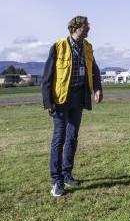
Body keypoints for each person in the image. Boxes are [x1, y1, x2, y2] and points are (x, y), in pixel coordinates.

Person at [41, 15, 103, 197]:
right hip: (60, 100)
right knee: (58, 139)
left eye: (88, 26)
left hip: (79, 98)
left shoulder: (88, 47)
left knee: (72, 137)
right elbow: (47, 76)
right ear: (74, 28)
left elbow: (94, 69)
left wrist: (97, 88)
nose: (88, 29)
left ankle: (67, 174)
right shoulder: (58, 46)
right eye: (85, 26)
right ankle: (56, 181)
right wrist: (48, 102)